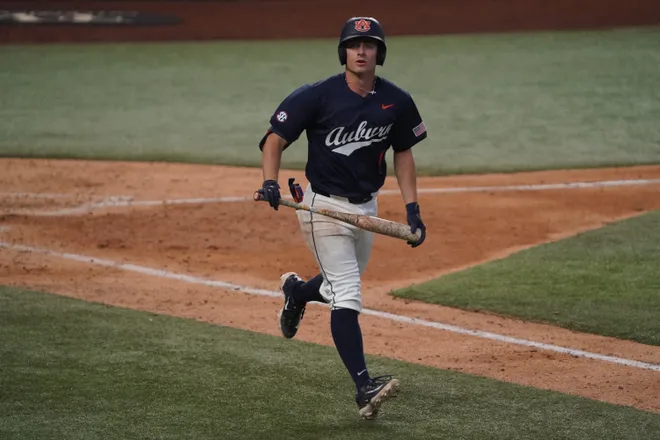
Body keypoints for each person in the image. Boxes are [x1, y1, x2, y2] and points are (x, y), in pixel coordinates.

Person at [257, 16, 428, 420]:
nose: (362, 51)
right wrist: (269, 181)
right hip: (323, 208)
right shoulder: (316, 96)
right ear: (344, 52)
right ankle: (363, 385)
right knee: (347, 292)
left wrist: (413, 209)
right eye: (355, 45)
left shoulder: (397, 101)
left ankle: (297, 293)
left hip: (366, 208)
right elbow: (274, 139)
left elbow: (403, 153)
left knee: (338, 285)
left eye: (369, 45)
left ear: (379, 53)